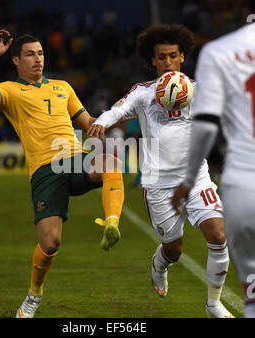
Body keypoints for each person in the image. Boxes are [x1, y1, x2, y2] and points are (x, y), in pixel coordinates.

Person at [0, 30, 125, 318]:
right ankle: (34, 295)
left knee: (111, 162)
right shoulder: (10, 91)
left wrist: (121, 113)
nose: (38, 58)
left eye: (40, 53)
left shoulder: (63, 86)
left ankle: (111, 223)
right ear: (16, 60)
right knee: (50, 243)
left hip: (74, 159)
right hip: (44, 171)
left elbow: (89, 122)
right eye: (30, 54)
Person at [88, 24, 234, 318]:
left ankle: (214, 303)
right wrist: (102, 122)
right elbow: (119, 109)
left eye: (172, 56)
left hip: (195, 179)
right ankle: (160, 264)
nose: (167, 63)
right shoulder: (143, 93)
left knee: (217, 236)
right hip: (158, 186)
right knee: (174, 250)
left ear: (182, 57)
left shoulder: (198, 90)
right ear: (152, 61)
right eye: (161, 58)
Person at [172, 7, 255, 318]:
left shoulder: (219, 51)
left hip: (244, 184)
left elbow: (206, 124)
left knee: (252, 297)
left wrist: (189, 180)